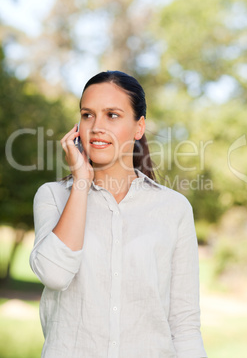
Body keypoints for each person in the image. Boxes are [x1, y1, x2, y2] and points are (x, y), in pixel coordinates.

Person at [30, 70, 207, 358]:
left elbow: (184, 324)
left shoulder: (173, 209)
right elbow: (55, 274)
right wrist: (81, 183)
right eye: (88, 115)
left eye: (112, 115)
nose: (97, 126)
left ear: (139, 128)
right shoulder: (53, 196)